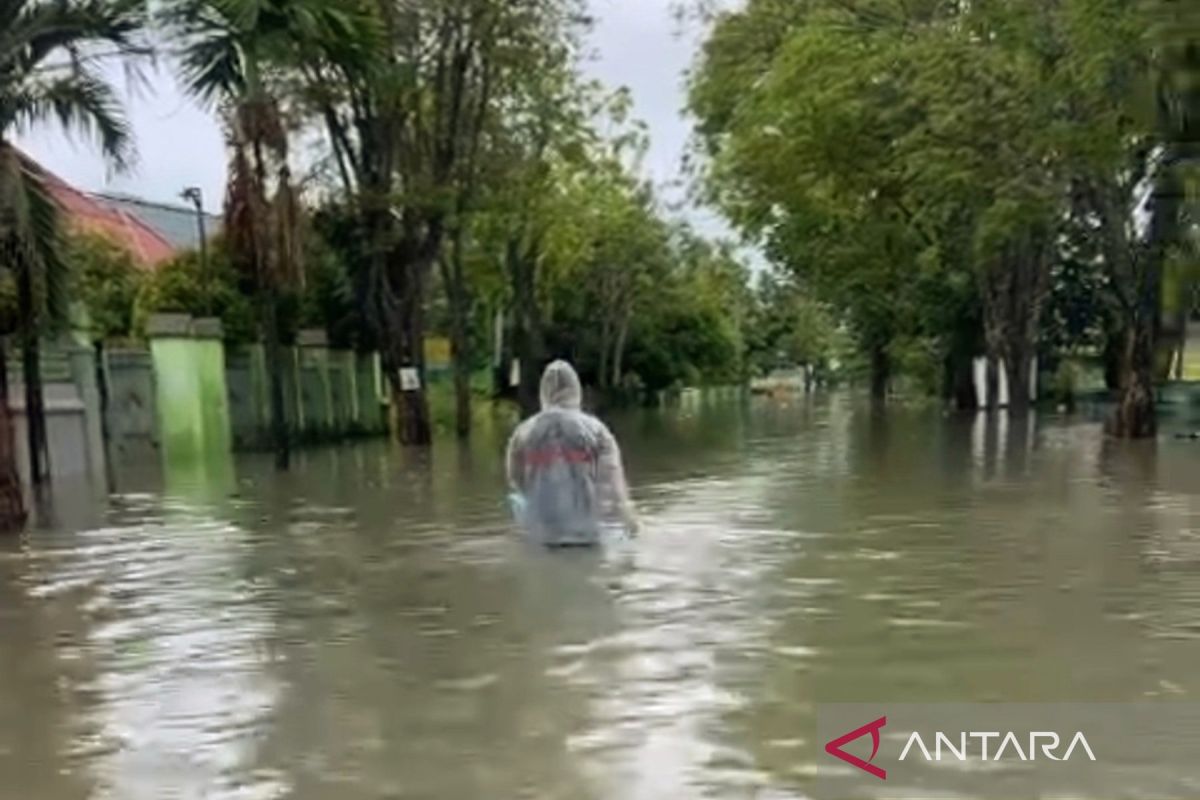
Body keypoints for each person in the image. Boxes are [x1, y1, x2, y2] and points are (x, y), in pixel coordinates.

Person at [506, 360, 639, 546]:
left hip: (542, 538)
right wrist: (631, 525)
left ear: (543, 392)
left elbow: (516, 481)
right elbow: (615, 487)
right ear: (576, 389)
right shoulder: (597, 431)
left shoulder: (522, 433)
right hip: (587, 536)